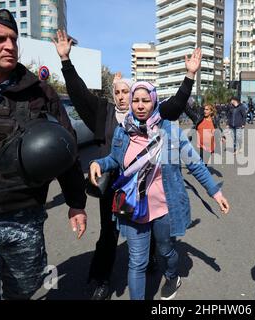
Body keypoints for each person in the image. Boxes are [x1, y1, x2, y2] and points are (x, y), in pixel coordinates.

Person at [53, 29, 202, 299]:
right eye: (118, 92)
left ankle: (152, 259)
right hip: (114, 187)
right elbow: (78, 94)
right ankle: (101, 280)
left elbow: (176, 105)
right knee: (108, 234)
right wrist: (66, 61)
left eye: (127, 92)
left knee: (152, 228)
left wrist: (189, 75)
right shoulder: (103, 112)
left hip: (148, 187)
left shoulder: (149, 113)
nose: (123, 96)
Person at [0, 7, 88, 300]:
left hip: (24, 218)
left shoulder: (40, 94)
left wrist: (76, 203)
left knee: (24, 291)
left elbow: (67, 150)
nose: (9, 46)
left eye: (13, 39)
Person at [89, 81, 230, 300]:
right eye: (136, 100)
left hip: (164, 208)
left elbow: (195, 164)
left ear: (154, 101)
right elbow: (114, 160)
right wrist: (100, 163)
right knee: (137, 261)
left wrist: (216, 193)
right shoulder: (122, 131)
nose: (140, 105)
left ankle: (173, 276)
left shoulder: (171, 131)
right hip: (133, 207)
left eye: (145, 100)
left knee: (165, 250)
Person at [184, 101, 226, 165]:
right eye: (204, 109)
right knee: (198, 164)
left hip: (208, 148)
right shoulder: (199, 118)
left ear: (211, 111)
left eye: (207, 109)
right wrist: (182, 101)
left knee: (203, 165)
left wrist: (222, 136)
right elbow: (189, 112)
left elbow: (218, 128)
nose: (204, 111)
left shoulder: (214, 121)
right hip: (198, 145)